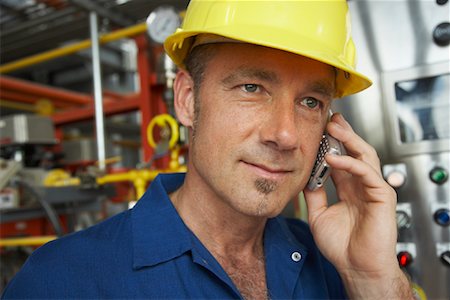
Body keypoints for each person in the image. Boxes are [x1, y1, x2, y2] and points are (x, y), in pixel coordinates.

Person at [2, 0, 413, 299]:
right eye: (251, 88)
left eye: (310, 102)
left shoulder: (334, 262)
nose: (286, 135)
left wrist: (373, 279)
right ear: (186, 99)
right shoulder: (62, 281)